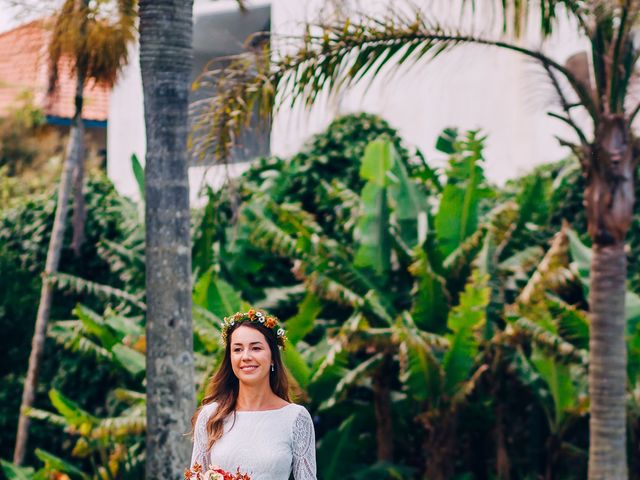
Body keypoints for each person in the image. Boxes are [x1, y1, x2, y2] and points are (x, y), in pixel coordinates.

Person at [190, 308, 317, 480]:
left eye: (256, 348)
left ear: (272, 357)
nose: (246, 356)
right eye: (237, 349)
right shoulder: (211, 416)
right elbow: (196, 476)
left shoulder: (296, 418)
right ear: (230, 358)